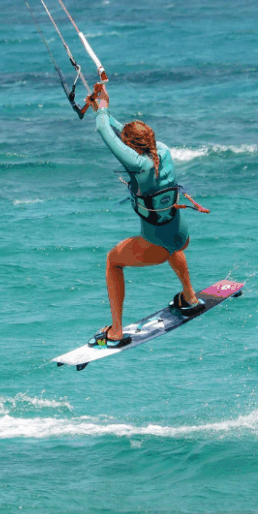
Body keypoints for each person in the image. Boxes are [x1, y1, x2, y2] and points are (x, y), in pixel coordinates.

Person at [85, 82, 204, 347]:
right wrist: (100, 108)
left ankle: (115, 332)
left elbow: (105, 132)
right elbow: (118, 132)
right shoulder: (163, 150)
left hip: (156, 248)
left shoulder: (138, 166)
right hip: (182, 236)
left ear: (132, 149)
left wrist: (102, 110)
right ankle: (190, 297)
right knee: (170, 237)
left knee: (112, 261)